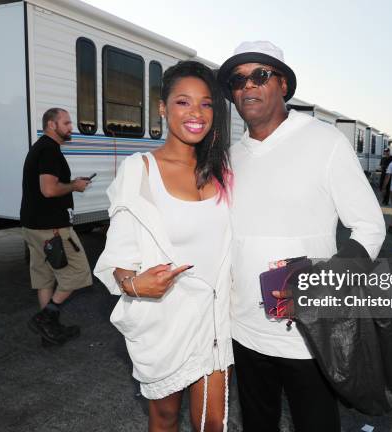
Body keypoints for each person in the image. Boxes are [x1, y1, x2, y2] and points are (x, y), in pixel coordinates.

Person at [217, 41, 385, 432]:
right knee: (258, 424)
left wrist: (319, 285)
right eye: (238, 80)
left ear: (283, 85)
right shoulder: (229, 155)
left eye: (260, 75)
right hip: (242, 329)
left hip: (308, 331)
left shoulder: (324, 142)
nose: (248, 86)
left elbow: (370, 226)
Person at [94, 61, 233, 432]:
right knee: (165, 418)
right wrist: (136, 285)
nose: (196, 113)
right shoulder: (139, 170)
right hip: (165, 320)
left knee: (213, 423)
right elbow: (120, 257)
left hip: (215, 319)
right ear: (162, 108)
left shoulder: (222, 171)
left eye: (206, 104)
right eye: (183, 102)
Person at [21, 108, 93, 346]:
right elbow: (49, 190)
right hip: (52, 227)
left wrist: (72, 183)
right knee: (78, 272)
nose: (71, 127)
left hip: (33, 225)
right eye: (67, 123)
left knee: (44, 278)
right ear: (52, 125)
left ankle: (48, 333)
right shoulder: (50, 151)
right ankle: (46, 317)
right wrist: (74, 186)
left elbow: (48, 185)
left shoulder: (40, 148)